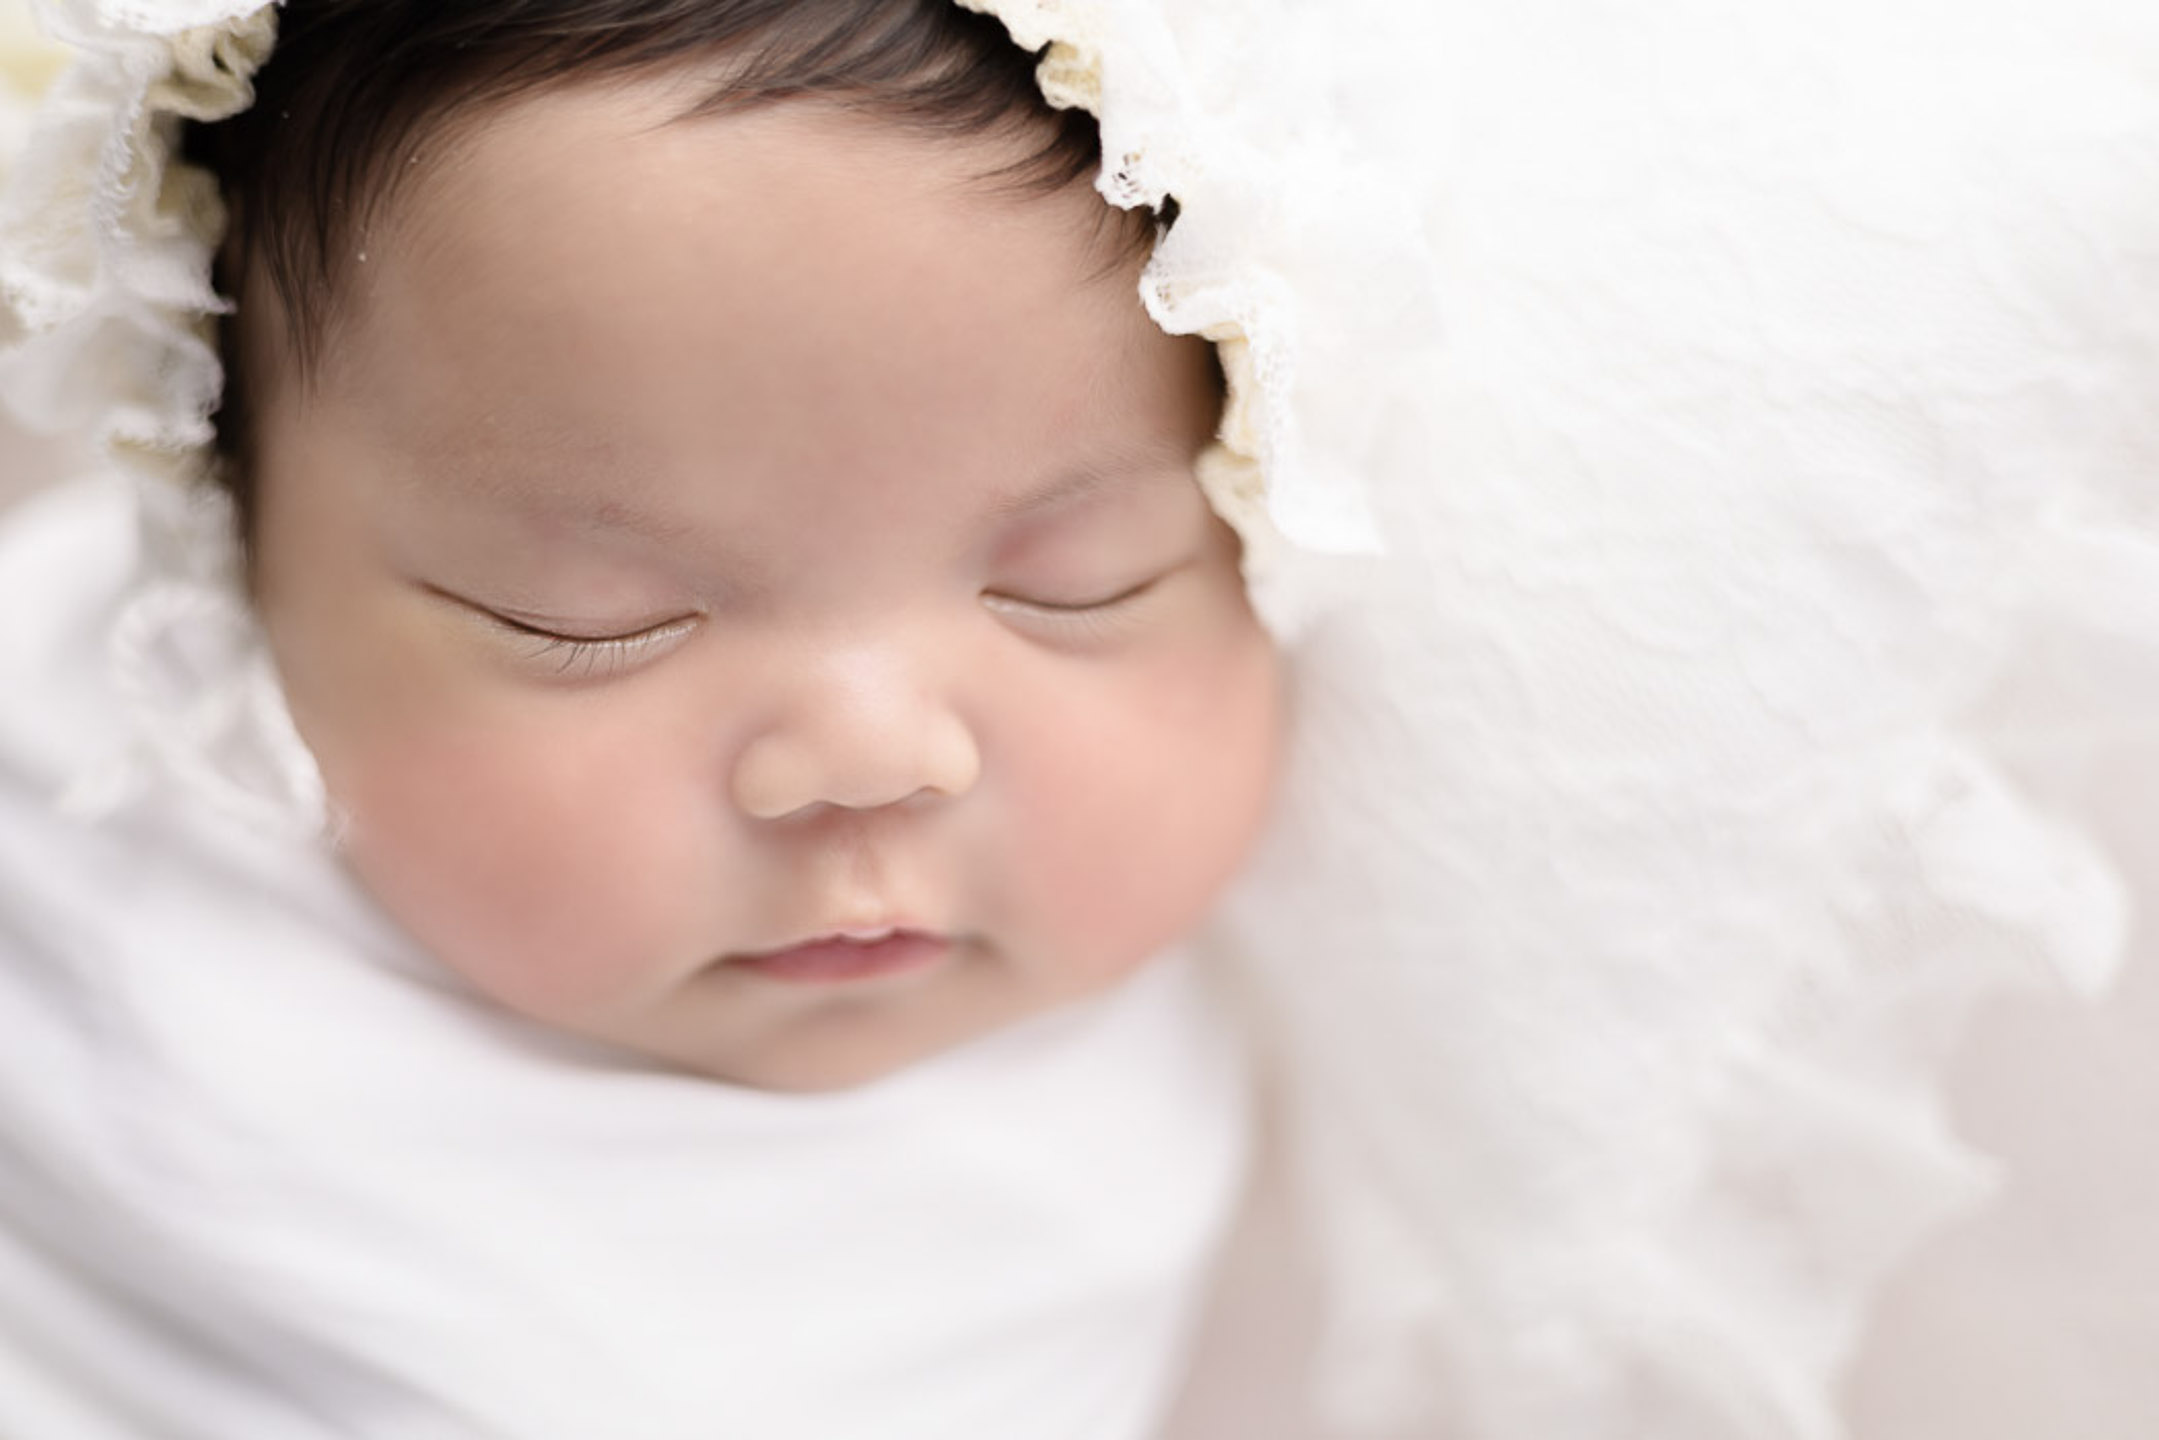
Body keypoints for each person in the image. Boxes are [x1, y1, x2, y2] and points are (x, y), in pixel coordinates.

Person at [0, 2, 1299, 1434]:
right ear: (233, 563)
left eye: (1076, 586)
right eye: (589, 620)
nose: (868, 757)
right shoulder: (78, 904)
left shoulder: (1355, 1060)